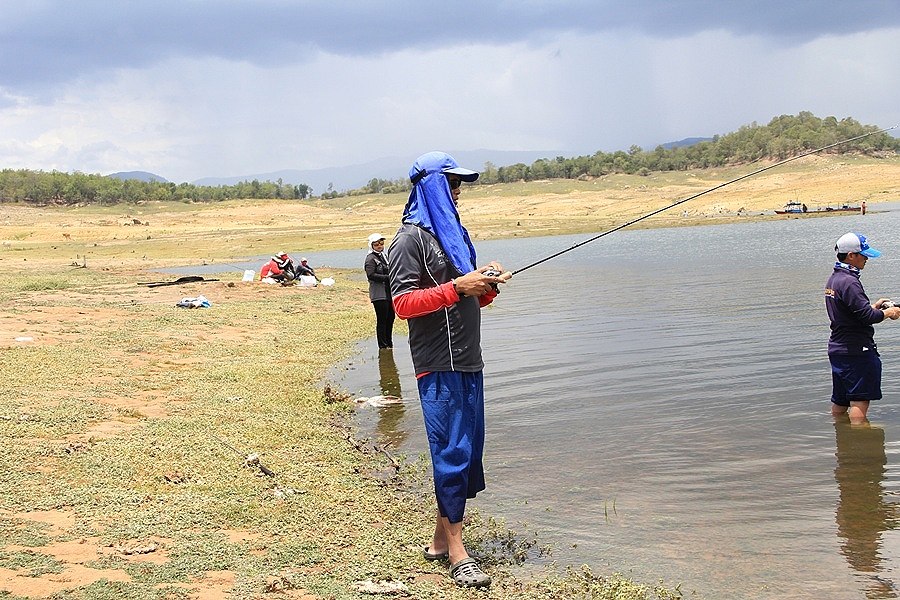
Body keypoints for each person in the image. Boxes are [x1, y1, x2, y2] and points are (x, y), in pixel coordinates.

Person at [388, 151, 510, 589]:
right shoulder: (407, 241)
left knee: (467, 451)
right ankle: (459, 553)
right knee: (451, 452)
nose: (458, 191)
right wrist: (459, 285)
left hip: (469, 359)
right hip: (438, 363)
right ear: (429, 187)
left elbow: (468, 298)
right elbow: (402, 304)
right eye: (451, 183)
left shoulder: (455, 237)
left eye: (459, 183)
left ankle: (441, 540)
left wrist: (485, 284)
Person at [825, 232, 900, 423]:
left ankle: (842, 443)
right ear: (851, 255)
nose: (866, 258)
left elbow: (852, 313)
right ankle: (860, 447)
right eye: (863, 254)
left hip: (838, 350)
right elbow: (867, 317)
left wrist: (874, 307)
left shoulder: (835, 279)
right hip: (857, 351)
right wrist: (887, 313)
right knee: (859, 400)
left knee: (840, 403)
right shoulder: (850, 281)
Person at [365, 233, 395, 349]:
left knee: (390, 318)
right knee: (382, 320)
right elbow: (371, 275)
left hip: (388, 293)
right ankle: (382, 346)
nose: (379, 246)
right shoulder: (370, 259)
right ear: (371, 245)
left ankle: (389, 343)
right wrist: (388, 278)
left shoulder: (384, 256)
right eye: (376, 244)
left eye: (381, 243)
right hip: (379, 294)